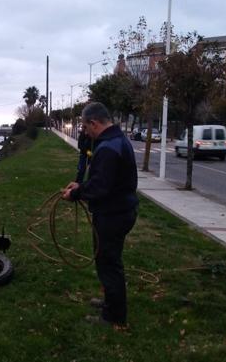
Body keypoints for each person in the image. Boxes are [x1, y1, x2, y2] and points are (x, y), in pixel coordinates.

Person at [62, 102, 138, 327]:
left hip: (113, 214)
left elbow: (100, 187)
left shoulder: (107, 147)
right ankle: (110, 301)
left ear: (94, 123)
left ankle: (114, 316)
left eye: (85, 127)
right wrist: (80, 185)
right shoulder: (115, 141)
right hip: (119, 210)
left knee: (109, 263)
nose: (85, 132)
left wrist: (76, 194)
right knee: (106, 260)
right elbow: (103, 180)